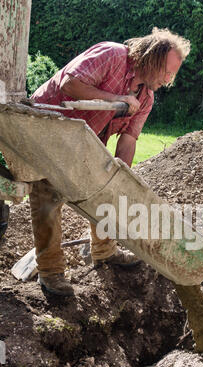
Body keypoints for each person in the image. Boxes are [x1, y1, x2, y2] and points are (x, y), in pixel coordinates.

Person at [30, 27, 190, 296]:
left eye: (172, 74)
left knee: (105, 187)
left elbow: (128, 140)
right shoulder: (112, 55)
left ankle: (104, 252)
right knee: (48, 193)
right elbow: (69, 82)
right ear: (151, 58)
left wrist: (120, 180)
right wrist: (116, 99)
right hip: (48, 125)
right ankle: (50, 272)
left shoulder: (145, 97)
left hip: (81, 139)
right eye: (166, 71)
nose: (168, 79)